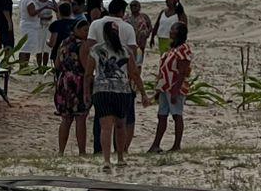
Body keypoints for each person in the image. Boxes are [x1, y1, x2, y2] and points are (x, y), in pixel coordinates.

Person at [85, 11, 140, 171]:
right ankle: (120, 157)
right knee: (121, 126)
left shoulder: (96, 50)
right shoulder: (125, 51)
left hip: (102, 91)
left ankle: (107, 160)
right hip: (122, 91)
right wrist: (142, 92)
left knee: (105, 127)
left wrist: (86, 93)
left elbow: (88, 74)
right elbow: (134, 73)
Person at [148, 20, 193, 154]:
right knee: (161, 115)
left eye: (173, 29)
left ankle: (176, 145)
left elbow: (182, 72)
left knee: (176, 115)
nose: (171, 31)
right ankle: (156, 144)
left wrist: (175, 90)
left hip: (174, 87)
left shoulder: (183, 49)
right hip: (165, 87)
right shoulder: (173, 49)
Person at [54, 17, 91, 155]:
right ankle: (82, 151)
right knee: (80, 118)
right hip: (78, 82)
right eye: (85, 30)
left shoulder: (64, 42)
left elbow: (57, 64)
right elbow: (86, 67)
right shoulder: (82, 45)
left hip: (64, 81)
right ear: (77, 30)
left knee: (66, 119)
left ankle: (61, 151)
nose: (87, 33)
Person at [30, 0, 57, 70]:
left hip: (48, 26)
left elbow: (57, 9)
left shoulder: (49, 2)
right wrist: (43, 15)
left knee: (47, 47)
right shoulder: (36, 2)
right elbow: (35, 14)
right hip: (39, 26)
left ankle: (44, 66)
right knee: (39, 47)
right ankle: (39, 66)